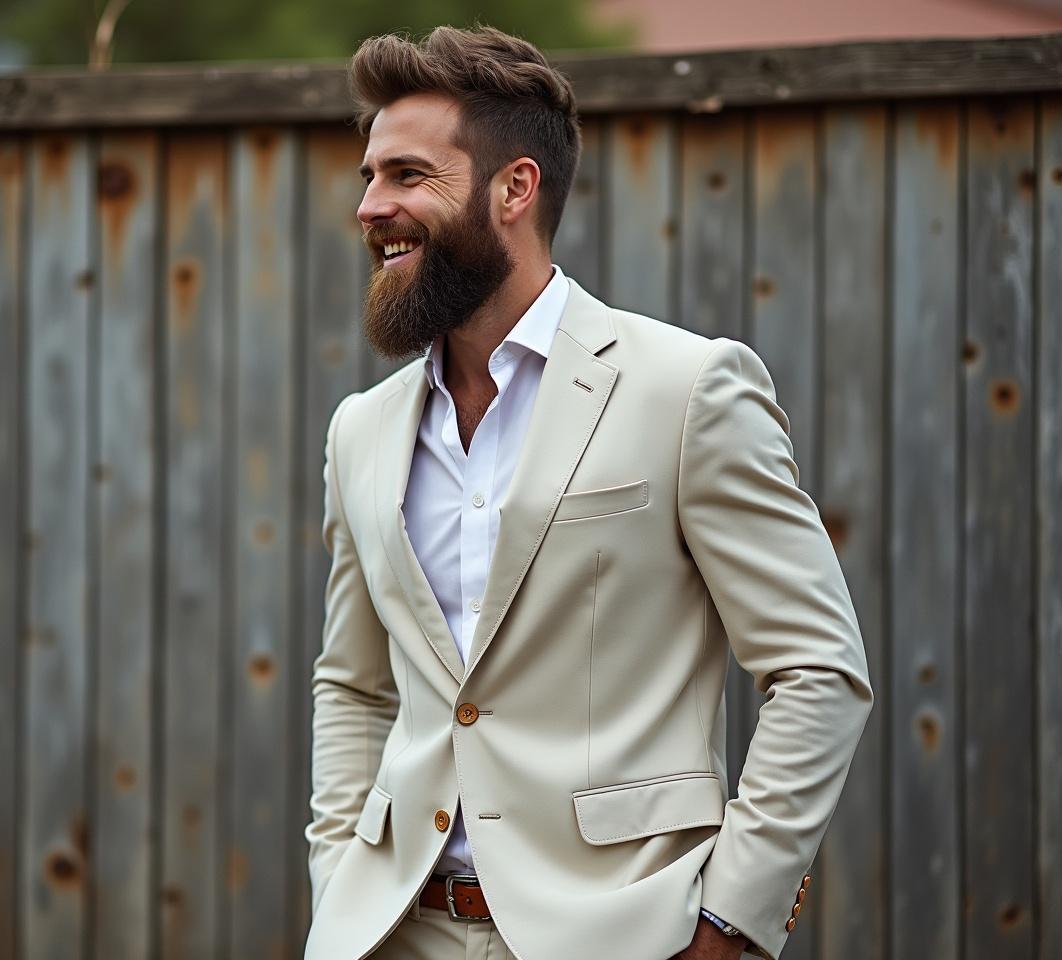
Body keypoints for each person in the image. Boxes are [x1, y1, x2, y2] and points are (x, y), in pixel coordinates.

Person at [304, 24, 872, 960]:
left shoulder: (687, 389)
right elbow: (354, 686)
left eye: (406, 175)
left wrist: (730, 922)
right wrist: (338, 889)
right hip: (393, 933)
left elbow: (819, 669)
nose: (371, 206)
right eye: (368, 177)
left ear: (514, 188)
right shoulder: (361, 429)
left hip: (618, 934)